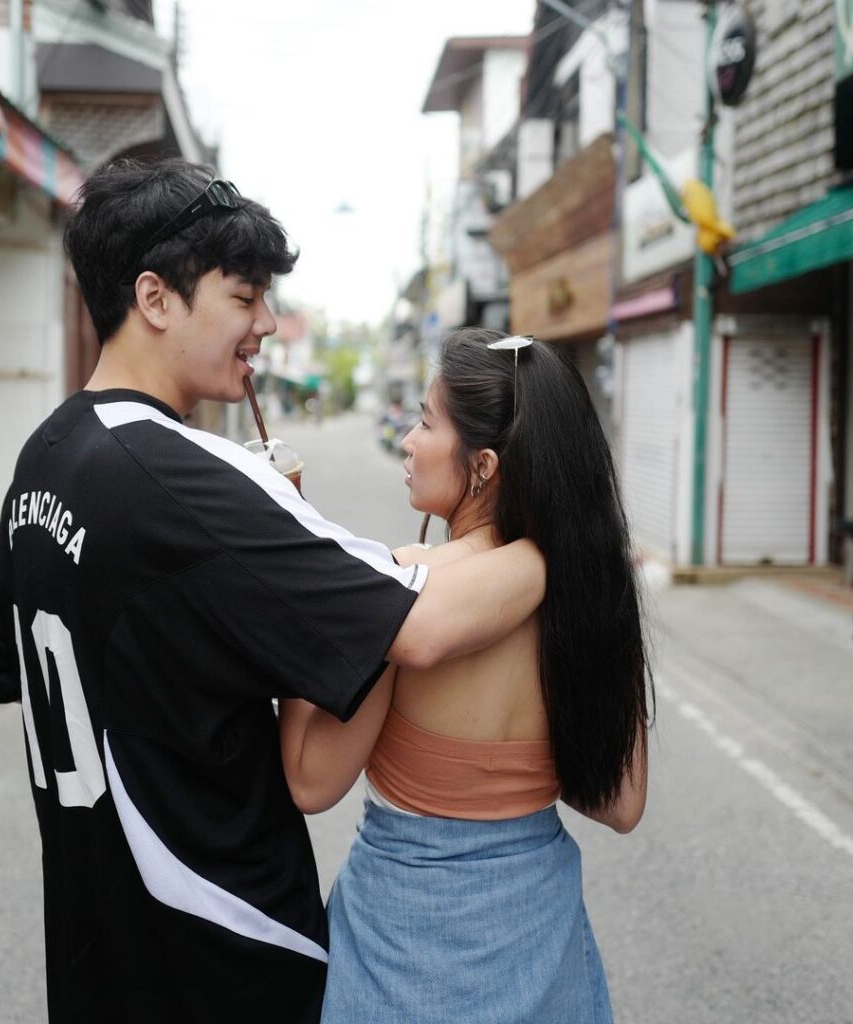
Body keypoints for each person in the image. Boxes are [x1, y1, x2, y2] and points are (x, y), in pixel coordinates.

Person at [0, 161, 545, 1024]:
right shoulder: (185, 475)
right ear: (155, 298)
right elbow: (416, 624)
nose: (268, 324)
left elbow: (59, 661)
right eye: (244, 297)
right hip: (224, 953)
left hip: (97, 954)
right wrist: (559, 549)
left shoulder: (43, 457)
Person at [279, 328, 652, 1024]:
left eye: (425, 422)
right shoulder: (588, 589)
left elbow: (310, 780)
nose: (407, 441)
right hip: (542, 944)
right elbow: (621, 803)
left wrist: (299, 584)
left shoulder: (404, 587)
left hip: (402, 945)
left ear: (482, 466)